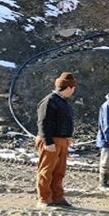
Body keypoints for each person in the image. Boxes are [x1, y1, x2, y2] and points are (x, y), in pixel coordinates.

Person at [35, 72, 77, 209]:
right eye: (73, 88)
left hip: (61, 141)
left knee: (59, 171)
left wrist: (68, 136)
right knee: (46, 171)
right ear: (69, 88)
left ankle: (57, 197)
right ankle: (44, 199)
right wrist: (48, 142)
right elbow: (43, 122)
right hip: (51, 141)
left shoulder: (62, 101)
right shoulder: (49, 101)